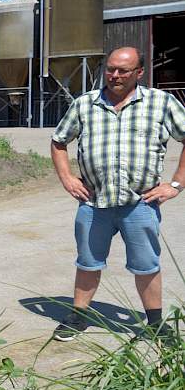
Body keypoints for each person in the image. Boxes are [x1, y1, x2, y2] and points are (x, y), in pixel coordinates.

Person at [50, 47, 185, 342]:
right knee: (87, 262)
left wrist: (175, 184)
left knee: (146, 264)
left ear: (139, 72)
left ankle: (155, 324)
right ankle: (79, 315)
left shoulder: (161, 103)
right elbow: (59, 141)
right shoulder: (85, 104)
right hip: (94, 202)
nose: (114, 75)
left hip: (140, 202)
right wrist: (67, 178)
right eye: (110, 69)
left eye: (123, 70)